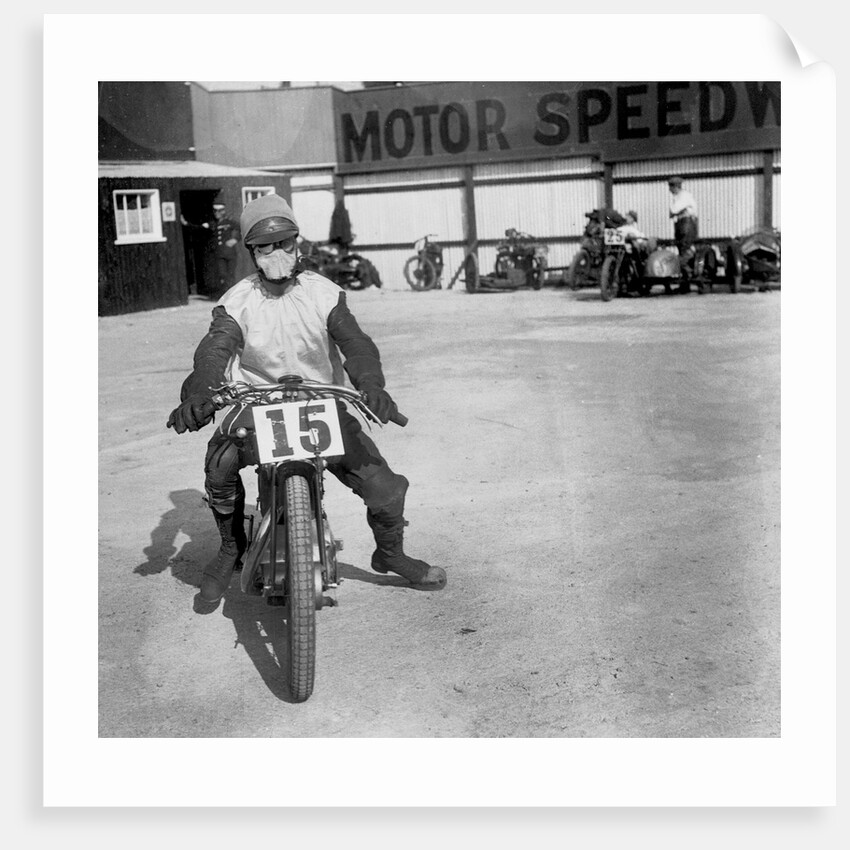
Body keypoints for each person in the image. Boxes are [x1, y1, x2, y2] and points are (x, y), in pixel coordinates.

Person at [166, 193, 446, 605]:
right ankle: (231, 547)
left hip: (321, 402)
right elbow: (214, 351)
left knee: (385, 488)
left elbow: (356, 343)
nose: (277, 253)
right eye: (265, 246)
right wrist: (201, 390)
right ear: (252, 251)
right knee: (220, 465)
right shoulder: (236, 302)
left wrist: (371, 383)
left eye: (284, 242)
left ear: (298, 243)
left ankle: (390, 553)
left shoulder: (324, 293)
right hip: (258, 403)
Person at [667, 176, 699, 287]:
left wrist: (673, 212)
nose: (669, 190)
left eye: (670, 187)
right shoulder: (678, 196)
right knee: (681, 249)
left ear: (676, 186)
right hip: (681, 223)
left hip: (687, 223)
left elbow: (673, 210)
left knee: (685, 249)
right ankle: (685, 282)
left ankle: (689, 274)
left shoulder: (684, 196)